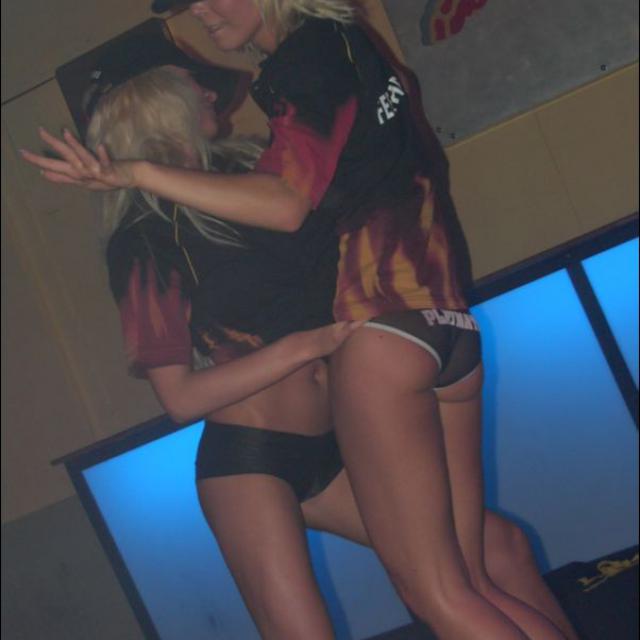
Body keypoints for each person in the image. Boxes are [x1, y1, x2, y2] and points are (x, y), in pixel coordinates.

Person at [21, 8, 579, 639]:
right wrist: (306, 345)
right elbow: (181, 398)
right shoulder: (144, 238)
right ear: (159, 104)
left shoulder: (254, 177)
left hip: (340, 427)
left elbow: (329, 185)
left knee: (493, 551)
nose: (214, 93)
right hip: (250, 456)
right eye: (195, 83)